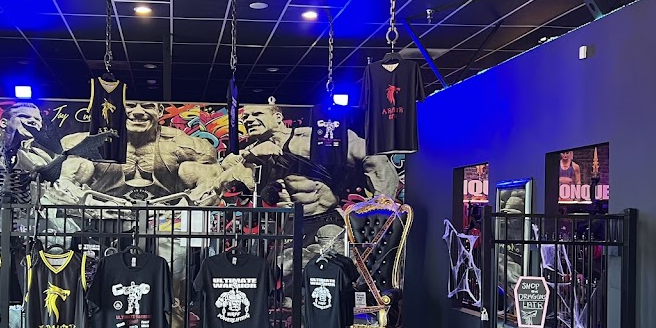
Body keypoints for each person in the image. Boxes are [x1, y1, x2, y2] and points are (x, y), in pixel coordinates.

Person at [220, 102, 399, 218]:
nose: (249, 120)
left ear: (278, 117)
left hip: (324, 219)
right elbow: (220, 184)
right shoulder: (251, 153)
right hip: (289, 225)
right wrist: (248, 156)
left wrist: (382, 205)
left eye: (257, 114)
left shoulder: (307, 139)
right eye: (245, 117)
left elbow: (374, 158)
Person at [57, 101, 230, 203]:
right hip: (104, 215)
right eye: (130, 106)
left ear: (160, 111)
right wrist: (94, 207)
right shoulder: (89, 142)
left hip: (165, 221)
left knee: (194, 169)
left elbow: (212, 178)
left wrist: (182, 210)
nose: (138, 112)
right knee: (77, 163)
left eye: (147, 106)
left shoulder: (181, 143)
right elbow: (64, 181)